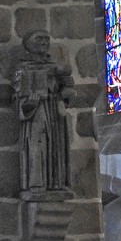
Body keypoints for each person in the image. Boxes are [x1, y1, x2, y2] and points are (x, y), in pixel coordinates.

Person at [13, 28, 74, 198]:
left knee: (57, 143)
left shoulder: (55, 66)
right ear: (28, 44)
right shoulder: (22, 67)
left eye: (46, 39)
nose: (44, 42)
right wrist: (28, 101)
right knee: (38, 142)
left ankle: (57, 183)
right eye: (39, 39)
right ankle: (36, 183)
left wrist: (66, 90)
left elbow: (65, 88)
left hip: (54, 108)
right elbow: (17, 93)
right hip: (36, 110)